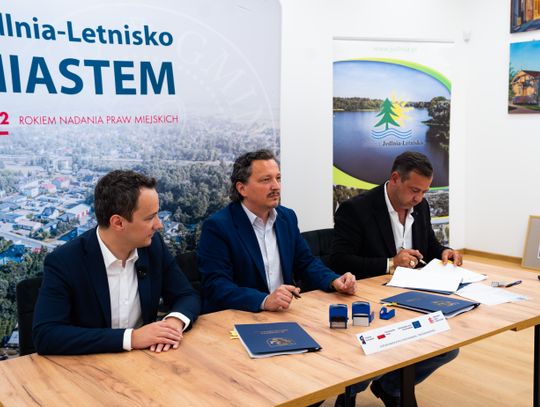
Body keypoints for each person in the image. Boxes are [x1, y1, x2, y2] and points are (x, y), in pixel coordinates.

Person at [331, 151, 460, 406]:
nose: (419, 198)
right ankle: (355, 389)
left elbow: (429, 245)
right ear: (395, 179)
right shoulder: (356, 209)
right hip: (371, 300)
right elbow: (339, 261)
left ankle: (390, 386)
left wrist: (444, 251)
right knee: (372, 355)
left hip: (411, 295)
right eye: (414, 190)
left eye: (424, 192)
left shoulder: (420, 206)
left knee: (447, 348)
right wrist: (390, 263)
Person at [33, 170, 200, 355]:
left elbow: (186, 295)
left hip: (146, 360)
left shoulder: (153, 246)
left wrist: (173, 323)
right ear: (118, 223)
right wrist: (131, 338)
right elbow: (46, 335)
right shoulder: (64, 261)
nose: (159, 224)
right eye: (149, 218)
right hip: (88, 365)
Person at [197, 149, 356, 315]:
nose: (276, 186)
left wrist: (334, 280)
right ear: (242, 188)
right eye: (266, 180)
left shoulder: (286, 217)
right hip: (240, 316)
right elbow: (216, 286)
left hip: (282, 313)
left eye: (278, 178)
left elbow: (306, 263)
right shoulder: (218, 227)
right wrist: (264, 300)